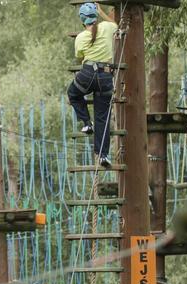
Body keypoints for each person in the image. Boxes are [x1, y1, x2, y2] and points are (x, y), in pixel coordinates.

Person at [67, 2, 118, 169]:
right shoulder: (107, 28)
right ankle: (102, 155)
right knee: (102, 118)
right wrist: (102, 11)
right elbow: (115, 25)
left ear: (83, 21)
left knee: (73, 93)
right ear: (96, 17)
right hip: (105, 77)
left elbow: (79, 56)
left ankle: (86, 123)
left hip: (87, 74)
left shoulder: (81, 37)